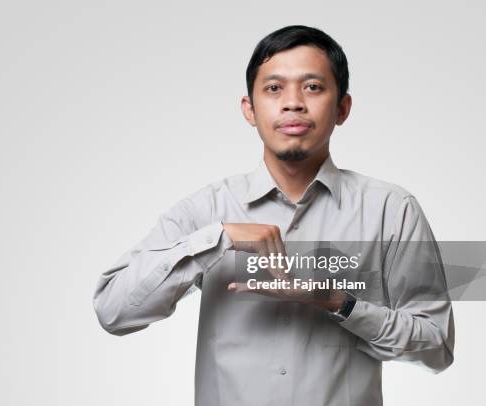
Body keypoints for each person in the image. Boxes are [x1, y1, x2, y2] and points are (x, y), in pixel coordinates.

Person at [93, 25, 454, 406]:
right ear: (249, 109)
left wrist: (339, 303)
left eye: (313, 87)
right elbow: (112, 311)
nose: (293, 103)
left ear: (343, 108)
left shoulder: (392, 210)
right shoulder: (207, 210)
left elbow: (437, 347)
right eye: (274, 88)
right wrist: (218, 240)